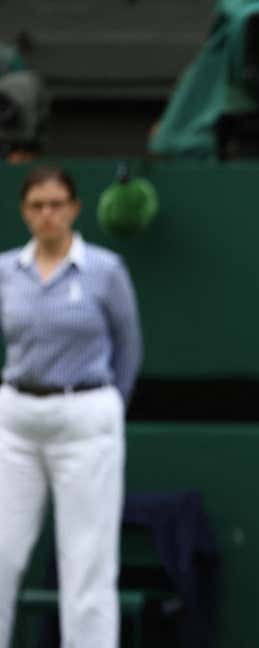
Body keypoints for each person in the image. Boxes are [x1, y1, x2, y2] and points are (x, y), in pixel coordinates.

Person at [0, 165, 143, 648]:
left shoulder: (105, 270)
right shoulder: (5, 271)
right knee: (1, 553)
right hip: (15, 420)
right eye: (37, 206)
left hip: (85, 418)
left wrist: (103, 406)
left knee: (87, 560)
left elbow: (129, 347)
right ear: (24, 212)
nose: (47, 215)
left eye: (57, 204)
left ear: (74, 209)